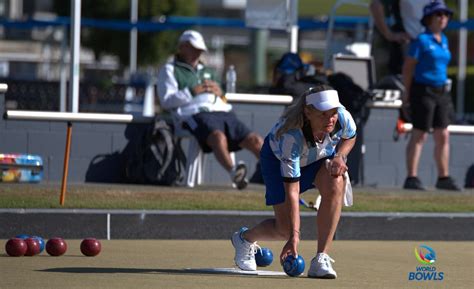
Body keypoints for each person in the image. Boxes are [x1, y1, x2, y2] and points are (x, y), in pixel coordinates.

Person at [231, 85, 357, 278]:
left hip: (319, 158)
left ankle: (321, 259)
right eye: (323, 114)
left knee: (335, 182)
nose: (330, 119)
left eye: (332, 112)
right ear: (308, 112)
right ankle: (244, 239)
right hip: (277, 160)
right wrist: (294, 238)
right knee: (284, 230)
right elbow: (293, 191)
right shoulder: (290, 135)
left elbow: (351, 137)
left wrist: (340, 155)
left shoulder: (341, 117)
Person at [157, 30, 263, 189]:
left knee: (255, 140)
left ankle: (272, 174)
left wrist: (221, 93)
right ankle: (234, 173)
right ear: (182, 47)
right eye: (194, 49)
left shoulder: (208, 71)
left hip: (221, 112)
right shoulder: (169, 70)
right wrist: (192, 91)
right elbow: (166, 101)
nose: (197, 54)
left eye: (199, 51)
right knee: (217, 137)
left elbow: (225, 99)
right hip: (193, 114)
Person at [401, 0, 461, 191]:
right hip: (423, 90)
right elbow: (408, 67)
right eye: (439, 15)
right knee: (420, 134)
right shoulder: (421, 40)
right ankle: (412, 176)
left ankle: (443, 177)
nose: (443, 18)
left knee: (443, 135)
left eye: (445, 15)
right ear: (429, 19)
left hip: (441, 92)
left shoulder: (442, 40)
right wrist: (407, 93)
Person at [370, 0, 410, 77]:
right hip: (387, 43)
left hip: (405, 41)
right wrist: (388, 34)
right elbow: (375, 5)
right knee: (383, 80)